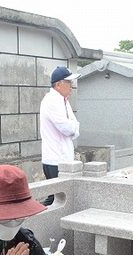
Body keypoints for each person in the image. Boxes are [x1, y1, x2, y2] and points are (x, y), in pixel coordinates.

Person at [40, 66, 81, 205]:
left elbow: (75, 126)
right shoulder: (52, 100)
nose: (72, 86)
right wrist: (73, 127)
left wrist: (73, 127)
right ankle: (32, 222)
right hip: (55, 160)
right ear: (58, 85)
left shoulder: (62, 100)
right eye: (68, 82)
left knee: (58, 200)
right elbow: (67, 128)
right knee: (57, 200)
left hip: (62, 158)